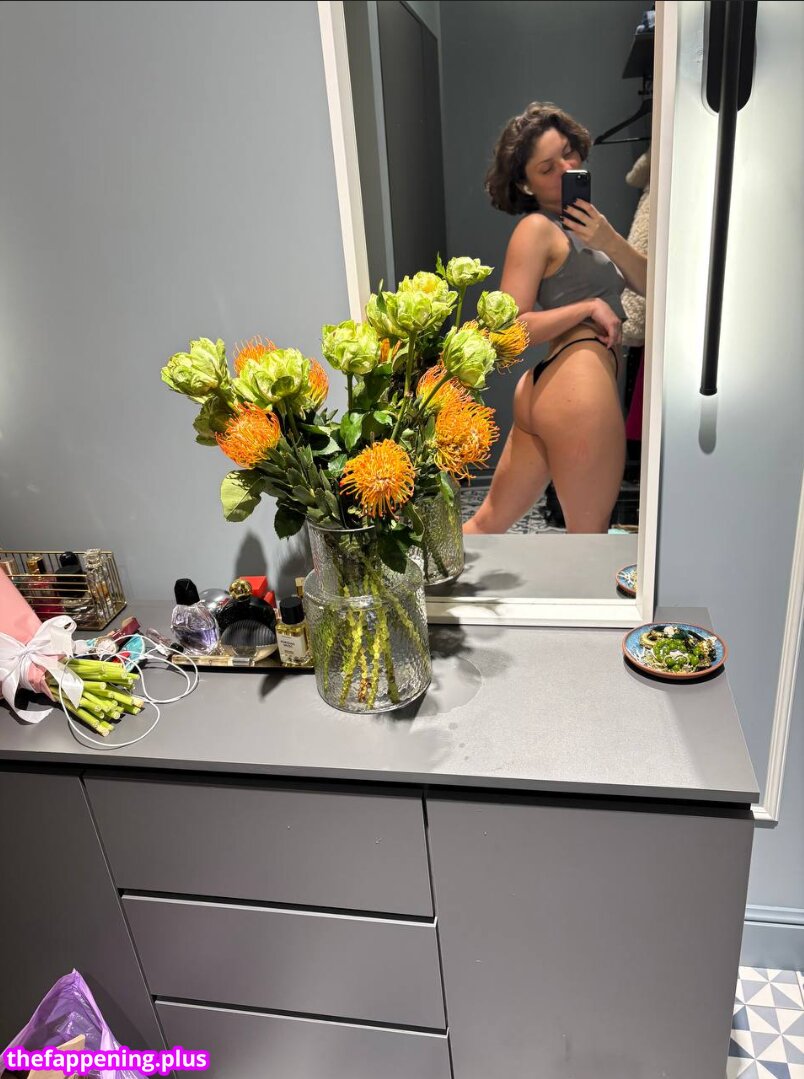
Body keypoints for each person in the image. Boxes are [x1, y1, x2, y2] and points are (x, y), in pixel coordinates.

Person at [463, 102, 647, 535]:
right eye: (547, 168)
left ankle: (428, 575)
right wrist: (587, 307)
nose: (566, 168)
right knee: (589, 539)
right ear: (525, 184)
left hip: (557, 384)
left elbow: (652, 286)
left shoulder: (587, 228)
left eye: (568, 153)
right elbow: (507, 330)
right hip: (578, 387)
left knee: (487, 525)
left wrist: (609, 239)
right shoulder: (537, 229)